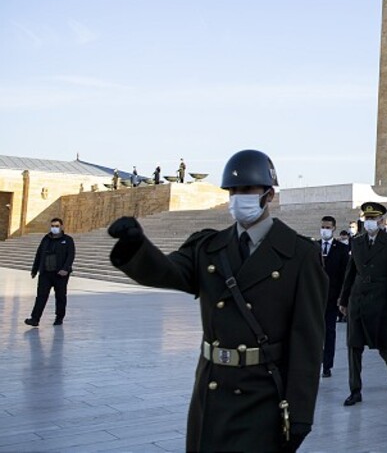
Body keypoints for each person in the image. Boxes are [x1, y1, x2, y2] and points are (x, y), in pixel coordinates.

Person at [106, 149, 327, 451]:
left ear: (269, 194)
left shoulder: (299, 255)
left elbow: (308, 341)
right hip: (212, 389)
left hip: (263, 393)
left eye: (247, 190)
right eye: (233, 191)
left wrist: (300, 414)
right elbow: (169, 272)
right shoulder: (209, 247)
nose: (239, 198)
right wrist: (137, 246)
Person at [338, 202, 387, 407]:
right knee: (353, 346)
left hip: (382, 301)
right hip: (358, 298)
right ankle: (355, 390)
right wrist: (343, 299)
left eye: (373, 219)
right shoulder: (356, 242)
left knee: (385, 346)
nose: (369, 222)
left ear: (381, 221)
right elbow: (351, 271)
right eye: (366, 219)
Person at [24, 218, 75, 327]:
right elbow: (39, 254)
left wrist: (65, 269)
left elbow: (71, 255)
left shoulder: (67, 240)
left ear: (61, 227)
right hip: (46, 273)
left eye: (57, 226)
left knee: (60, 296)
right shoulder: (46, 239)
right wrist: (34, 269)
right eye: (52, 226)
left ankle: (59, 317)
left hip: (60, 274)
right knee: (41, 296)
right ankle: (35, 319)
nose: (54, 228)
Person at [319, 216, 350, 379]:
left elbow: (345, 275)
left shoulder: (341, 250)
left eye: (328, 227)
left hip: (332, 298)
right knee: (314, 332)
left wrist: (342, 297)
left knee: (329, 331)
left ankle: (327, 364)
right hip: (315, 298)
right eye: (323, 226)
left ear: (334, 229)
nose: (324, 229)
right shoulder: (313, 247)